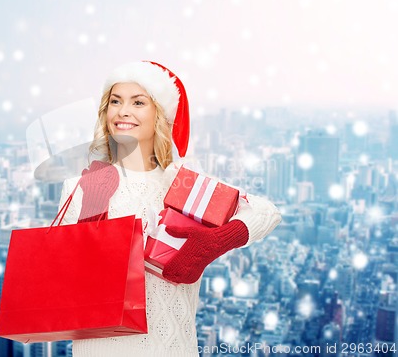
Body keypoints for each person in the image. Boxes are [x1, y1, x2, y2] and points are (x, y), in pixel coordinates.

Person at [57, 60, 282, 357]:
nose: (123, 111)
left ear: (161, 115)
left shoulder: (181, 183)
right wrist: (92, 209)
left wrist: (217, 241)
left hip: (171, 348)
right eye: (115, 101)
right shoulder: (80, 186)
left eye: (138, 102)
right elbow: (66, 275)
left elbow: (267, 212)